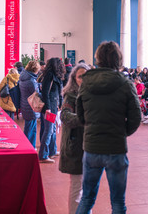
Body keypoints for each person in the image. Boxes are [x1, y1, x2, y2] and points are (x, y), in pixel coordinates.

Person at [75, 41, 141, 214]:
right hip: (116, 148)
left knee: (87, 199)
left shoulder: (86, 82)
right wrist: (121, 132)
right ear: (118, 59)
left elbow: (80, 115)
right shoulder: (126, 84)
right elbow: (136, 117)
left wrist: (91, 128)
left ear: (98, 59)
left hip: (91, 147)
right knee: (118, 202)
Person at [59, 63, 90, 214]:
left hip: (91, 146)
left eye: (86, 75)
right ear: (74, 79)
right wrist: (84, 118)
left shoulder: (94, 94)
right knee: (78, 187)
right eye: (80, 76)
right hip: (75, 145)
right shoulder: (70, 95)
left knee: (87, 189)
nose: (83, 79)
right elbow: (65, 115)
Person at [39, 57, 65, 163]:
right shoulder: (49, 75)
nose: (61, 65)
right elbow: (45, 92)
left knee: (53, 129)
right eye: (60, 64)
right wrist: (48, 108)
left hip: (54, 107)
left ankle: (52, 151)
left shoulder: (54, 75)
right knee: (49, 130)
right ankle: (43, 155)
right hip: (50, 108)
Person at [19, 60, 41, 148]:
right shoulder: (32, 81)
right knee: (31, 129)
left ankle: (30, 146)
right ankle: (29, 146)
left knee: (29, 127)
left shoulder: (23, 77)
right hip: (31, 106)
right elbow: (36, 93)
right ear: (35, 69)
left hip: (25, 104)